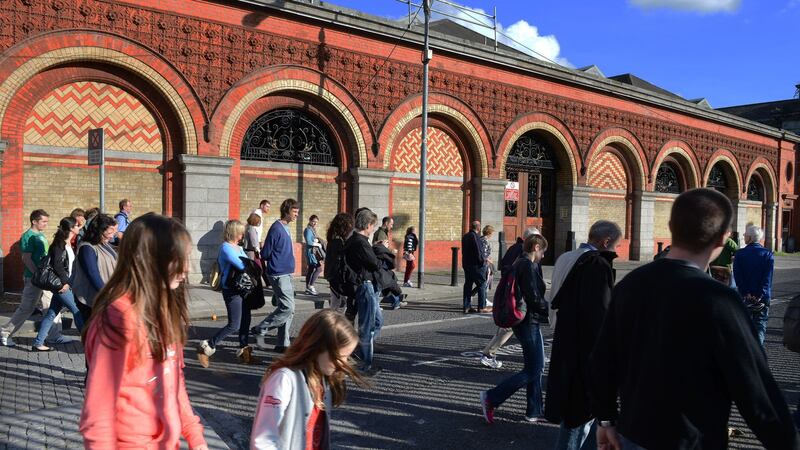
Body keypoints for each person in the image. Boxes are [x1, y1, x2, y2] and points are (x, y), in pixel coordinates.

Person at [589, 188, 797, 450]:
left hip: (633, 436)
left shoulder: (630, 285)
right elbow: (757, 393)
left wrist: (606, 419)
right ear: (722, 239)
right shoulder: (719, 300)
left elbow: (602, 361)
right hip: (692, 441)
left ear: (671, 228)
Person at [79, 213, 208, 450]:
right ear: (150, 260)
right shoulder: (118, 318)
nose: (187, 268)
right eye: (179, 259)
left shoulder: (165, 310)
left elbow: (174, 383)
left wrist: (194, 435)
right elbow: (97, 416)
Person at [545, 220, 622, 450]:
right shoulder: (596, 265)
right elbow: (598, 317)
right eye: (615, 246)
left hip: (563, 334)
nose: (615, 251)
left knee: (581, 417)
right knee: (577, 418)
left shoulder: (565, 257)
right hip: (583, 349)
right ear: (605, 241)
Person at [251, 310, 365, 449]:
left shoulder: (323, 380)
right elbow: (263, 442)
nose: (344, 364)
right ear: (317, 348)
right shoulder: (284, 380)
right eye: (340, 357)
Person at [480, 233, 549, 423]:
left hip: (522, 321)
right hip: (528, 322)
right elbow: (533, 297)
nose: (543, 255)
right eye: (543, 251)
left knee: (533, 366)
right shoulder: (527, 265)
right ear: (536, 248)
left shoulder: (520, 262)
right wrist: (550, 308)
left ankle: (534, 411)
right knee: (535, 368)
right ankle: (492, 397)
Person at [1, 209, 68, 347]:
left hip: (44, 279)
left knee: (51, 306)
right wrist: (37, 275)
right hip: (34, 279)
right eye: (43, 221)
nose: (45, 224)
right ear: (34, 221)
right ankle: (5, 333)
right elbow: (26, 258)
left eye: (46, 221)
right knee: (26, 308)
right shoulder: (28, 236)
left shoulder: (40, 235)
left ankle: (54, 335)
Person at [479, 227, 540, 369]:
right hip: (517, 297)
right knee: (509, 327)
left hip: (513, 294)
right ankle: (488, 354)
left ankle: (537, 354)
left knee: (521, 327)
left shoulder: (515, 248)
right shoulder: (523, 252)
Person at [198, 220, 254, 367]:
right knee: (234, 324)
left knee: (246, 320)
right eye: (241, 232)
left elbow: (248, 263)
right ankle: (208, 345)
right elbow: (243, 265)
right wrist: (250, 266)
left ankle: (244, 352)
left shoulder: (238, 247)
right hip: (232, 290)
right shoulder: (226, 248)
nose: (243, 235)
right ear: (235, 232)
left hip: (242, 288)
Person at [252, 199, 300, 353]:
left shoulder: (285, 227)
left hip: (286, 273)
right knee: (288, 307)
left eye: (297, 213)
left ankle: (283, 343)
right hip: (278, 274)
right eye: (294, 212)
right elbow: (265, 253)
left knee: (288, 309)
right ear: (286, 211)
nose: (296, 215)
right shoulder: (276, 228)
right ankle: (261, 328)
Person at [31, 217, 86, 351]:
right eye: (77, 226)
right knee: (77, 311)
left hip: (64, 284)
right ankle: (88, 342)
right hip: (61, 286)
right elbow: (57, 265)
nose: (79, 228)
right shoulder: (59, 245)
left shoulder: (67, 244)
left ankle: (38, 343)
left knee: (51, 314)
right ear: (71, 228)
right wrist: (65, 283)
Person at [345, 208, 383, 374]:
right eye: (373, 226)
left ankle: (359, 353)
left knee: (372, 322)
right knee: (367, 326)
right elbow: (374, 263)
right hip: (364, 284)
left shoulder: (352, 239)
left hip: (359, 284)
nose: (373, 229)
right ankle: (364, 363)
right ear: (367, 225)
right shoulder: (361, 242)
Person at [733, 224, 775, 346]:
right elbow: (768, 278)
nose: (743, 236)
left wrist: (746, 293)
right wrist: (760, 294)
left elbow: (738, 277)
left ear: (750, 238)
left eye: (745, 234)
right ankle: (758, 356)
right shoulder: (768, 254)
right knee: (760, 328)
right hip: (762, 298)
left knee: (743, 328)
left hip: (744, 297)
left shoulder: (740, 254)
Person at [72, 214, 119, 312]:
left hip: (106, 296)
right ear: (100, 230)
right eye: (110, 232)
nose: (113, 235)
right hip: (92, 300)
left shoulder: (104, 244)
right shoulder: (87, 248)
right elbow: (93, 274)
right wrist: (107, 295)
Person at [325, 213, 354, 314]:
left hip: (333, 277)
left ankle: (334, 326)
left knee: (336, 304)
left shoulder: (333, 239)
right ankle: (334, 328)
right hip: (337, 278)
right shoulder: (338, 242)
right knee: (338, 306)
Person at [462, 221, 488, 314]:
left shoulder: (465, 236)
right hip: (476, 265)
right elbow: (479, 251)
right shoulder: (476, 237)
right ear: (478, 227)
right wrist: (483, 261)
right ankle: (482, 307)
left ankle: (466, 306)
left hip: (467, 265)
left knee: (468, 285)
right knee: (482, 284)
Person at [472, 225, 495, 304]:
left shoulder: (481, 239)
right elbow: (483, 254)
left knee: (483, 282)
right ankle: (483, 300)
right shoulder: (484, 240)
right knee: (484, 282)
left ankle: (476, 295)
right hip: (484, 264)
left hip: (483, 263)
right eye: (492, 233)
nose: (492, 235)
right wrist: (489, 260)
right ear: (489, 233)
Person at [304, 215, 324, 296]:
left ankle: (307, 288)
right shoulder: (308, 230)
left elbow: (312, 239)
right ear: (310, 220)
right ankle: (311, 286)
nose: (315, 223)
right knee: (319, 269)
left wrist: (316, 240)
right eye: (313, 221)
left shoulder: (312, 230)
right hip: (311, 253)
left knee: (311, 270)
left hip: (312, 252)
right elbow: (309, 242)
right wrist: (318, 244)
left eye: (316, 222)